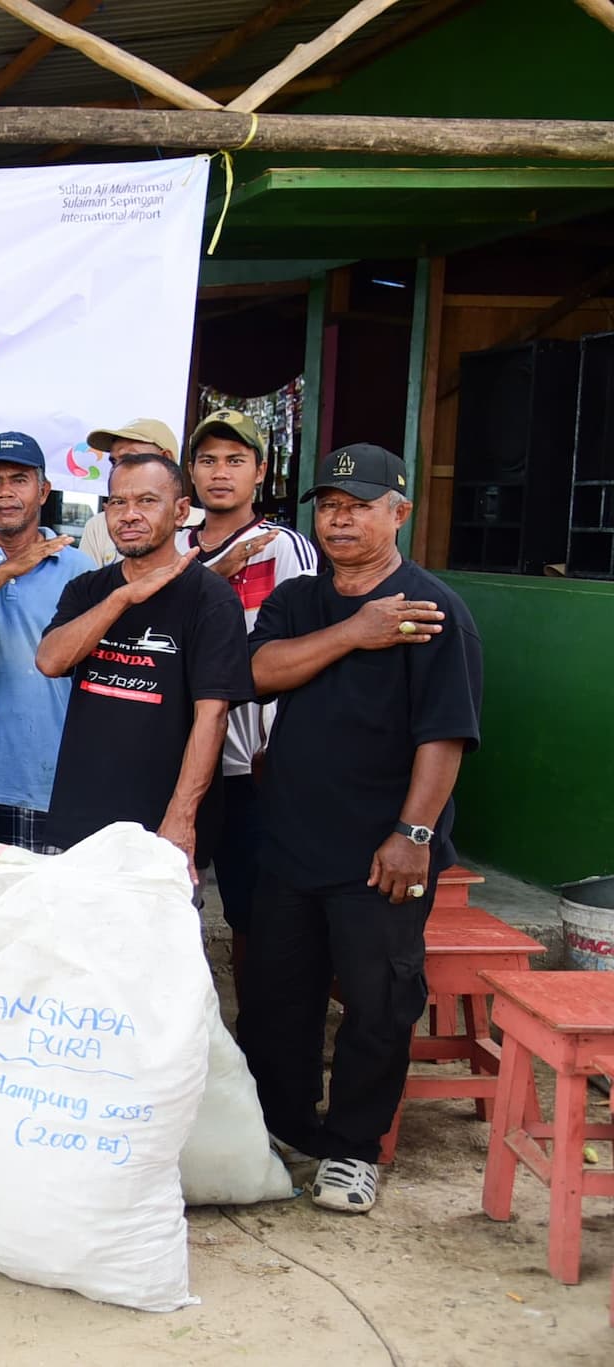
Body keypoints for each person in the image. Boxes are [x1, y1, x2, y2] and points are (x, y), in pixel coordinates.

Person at [237, 444, 481, 1216]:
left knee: (378, 1002)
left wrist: (414, 832)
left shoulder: (434, 609)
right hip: (287, 840)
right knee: (278, 994)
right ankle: (283, 1131)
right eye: (330, 503)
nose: (340, 516)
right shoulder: (302, 598)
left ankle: (353, 1150)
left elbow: (444, 735)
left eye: (360, 504)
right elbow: (258, 670)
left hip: (382, 850)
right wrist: (355, 631)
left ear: (398, 512)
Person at [36, 452, 252, 859]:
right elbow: (51, 661)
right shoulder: (89, 589)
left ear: (181, 511)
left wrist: (181, 816)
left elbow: (213, 716)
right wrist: (123, 598)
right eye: (118, 502)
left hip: (162, 824)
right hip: (80, 819)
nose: (129, 514)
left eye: (147, 501)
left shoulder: (211, 598)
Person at [181, 409, 319, 959]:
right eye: (208, 460)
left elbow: (304, 655)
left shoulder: (282, 547)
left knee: (253, 915)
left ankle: (255, 1039)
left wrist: (281, 747)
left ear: (260, 472)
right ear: (190, 471)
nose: (221, 472)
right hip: (178, 759)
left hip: (251, 765)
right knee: (167, 905)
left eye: (235, 461)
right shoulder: (171, 544)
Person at [0, 432, 97, 851]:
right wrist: (12, 568)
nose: (5, 492)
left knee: (44, 911)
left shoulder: (79, 567)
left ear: (43, 491)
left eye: (19, 479)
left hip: (50, 778)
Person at [76, 418, 202, 566]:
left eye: (130, 459)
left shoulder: (203, 526)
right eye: (113, 462)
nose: (118, 469)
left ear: (181, 512)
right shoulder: (98, 525)